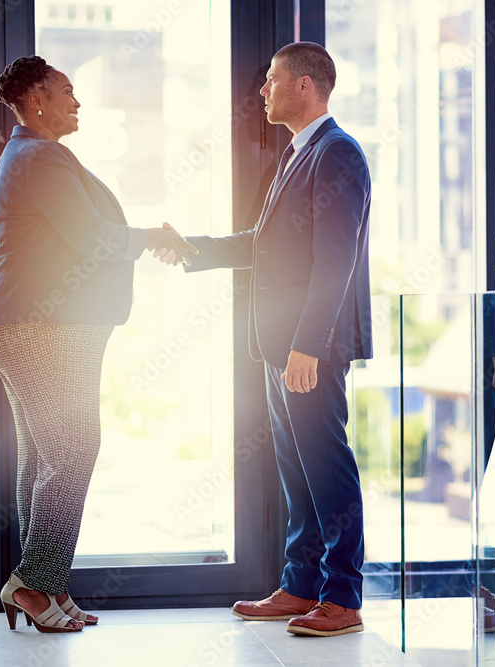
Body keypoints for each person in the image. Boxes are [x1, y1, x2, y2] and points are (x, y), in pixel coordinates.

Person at [155, 41, 372, 637]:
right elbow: (261, 242)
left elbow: (336, 260)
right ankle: (302, 585)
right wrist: (190, 248)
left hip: (311, 347)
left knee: (327, 467)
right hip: (284, 346)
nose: (263, 90)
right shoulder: (299, 154)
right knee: (297, 468)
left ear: (305, 86)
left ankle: (343, 599)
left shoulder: (337, 154)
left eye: (272, 80)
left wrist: (308, 345)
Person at [0, 55, 197, 633]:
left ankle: (46, 585)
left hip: (29, 322)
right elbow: (91, 238)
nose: (78, 102)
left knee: (46, 454)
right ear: (38, 100)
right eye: (67, 91)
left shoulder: (29, 154)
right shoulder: (39, 157)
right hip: (38, 326)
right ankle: (33, 585)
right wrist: (150, 237)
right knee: (74, 450)